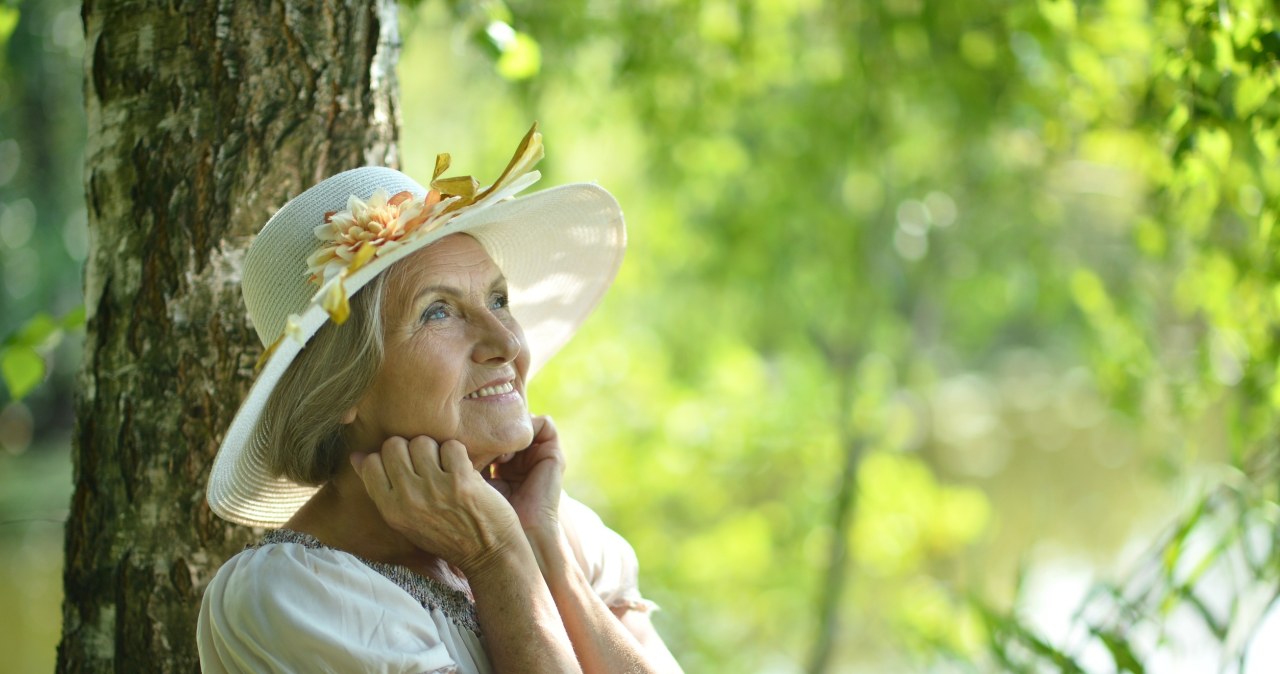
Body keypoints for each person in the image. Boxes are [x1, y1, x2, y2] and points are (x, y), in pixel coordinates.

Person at [197, 124, 682, 673]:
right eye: (438, 312)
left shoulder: (561, 527)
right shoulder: (296, 599)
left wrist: (544, 547)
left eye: (498, 299)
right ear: (342, 388)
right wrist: (496, 559)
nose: (507, 342)